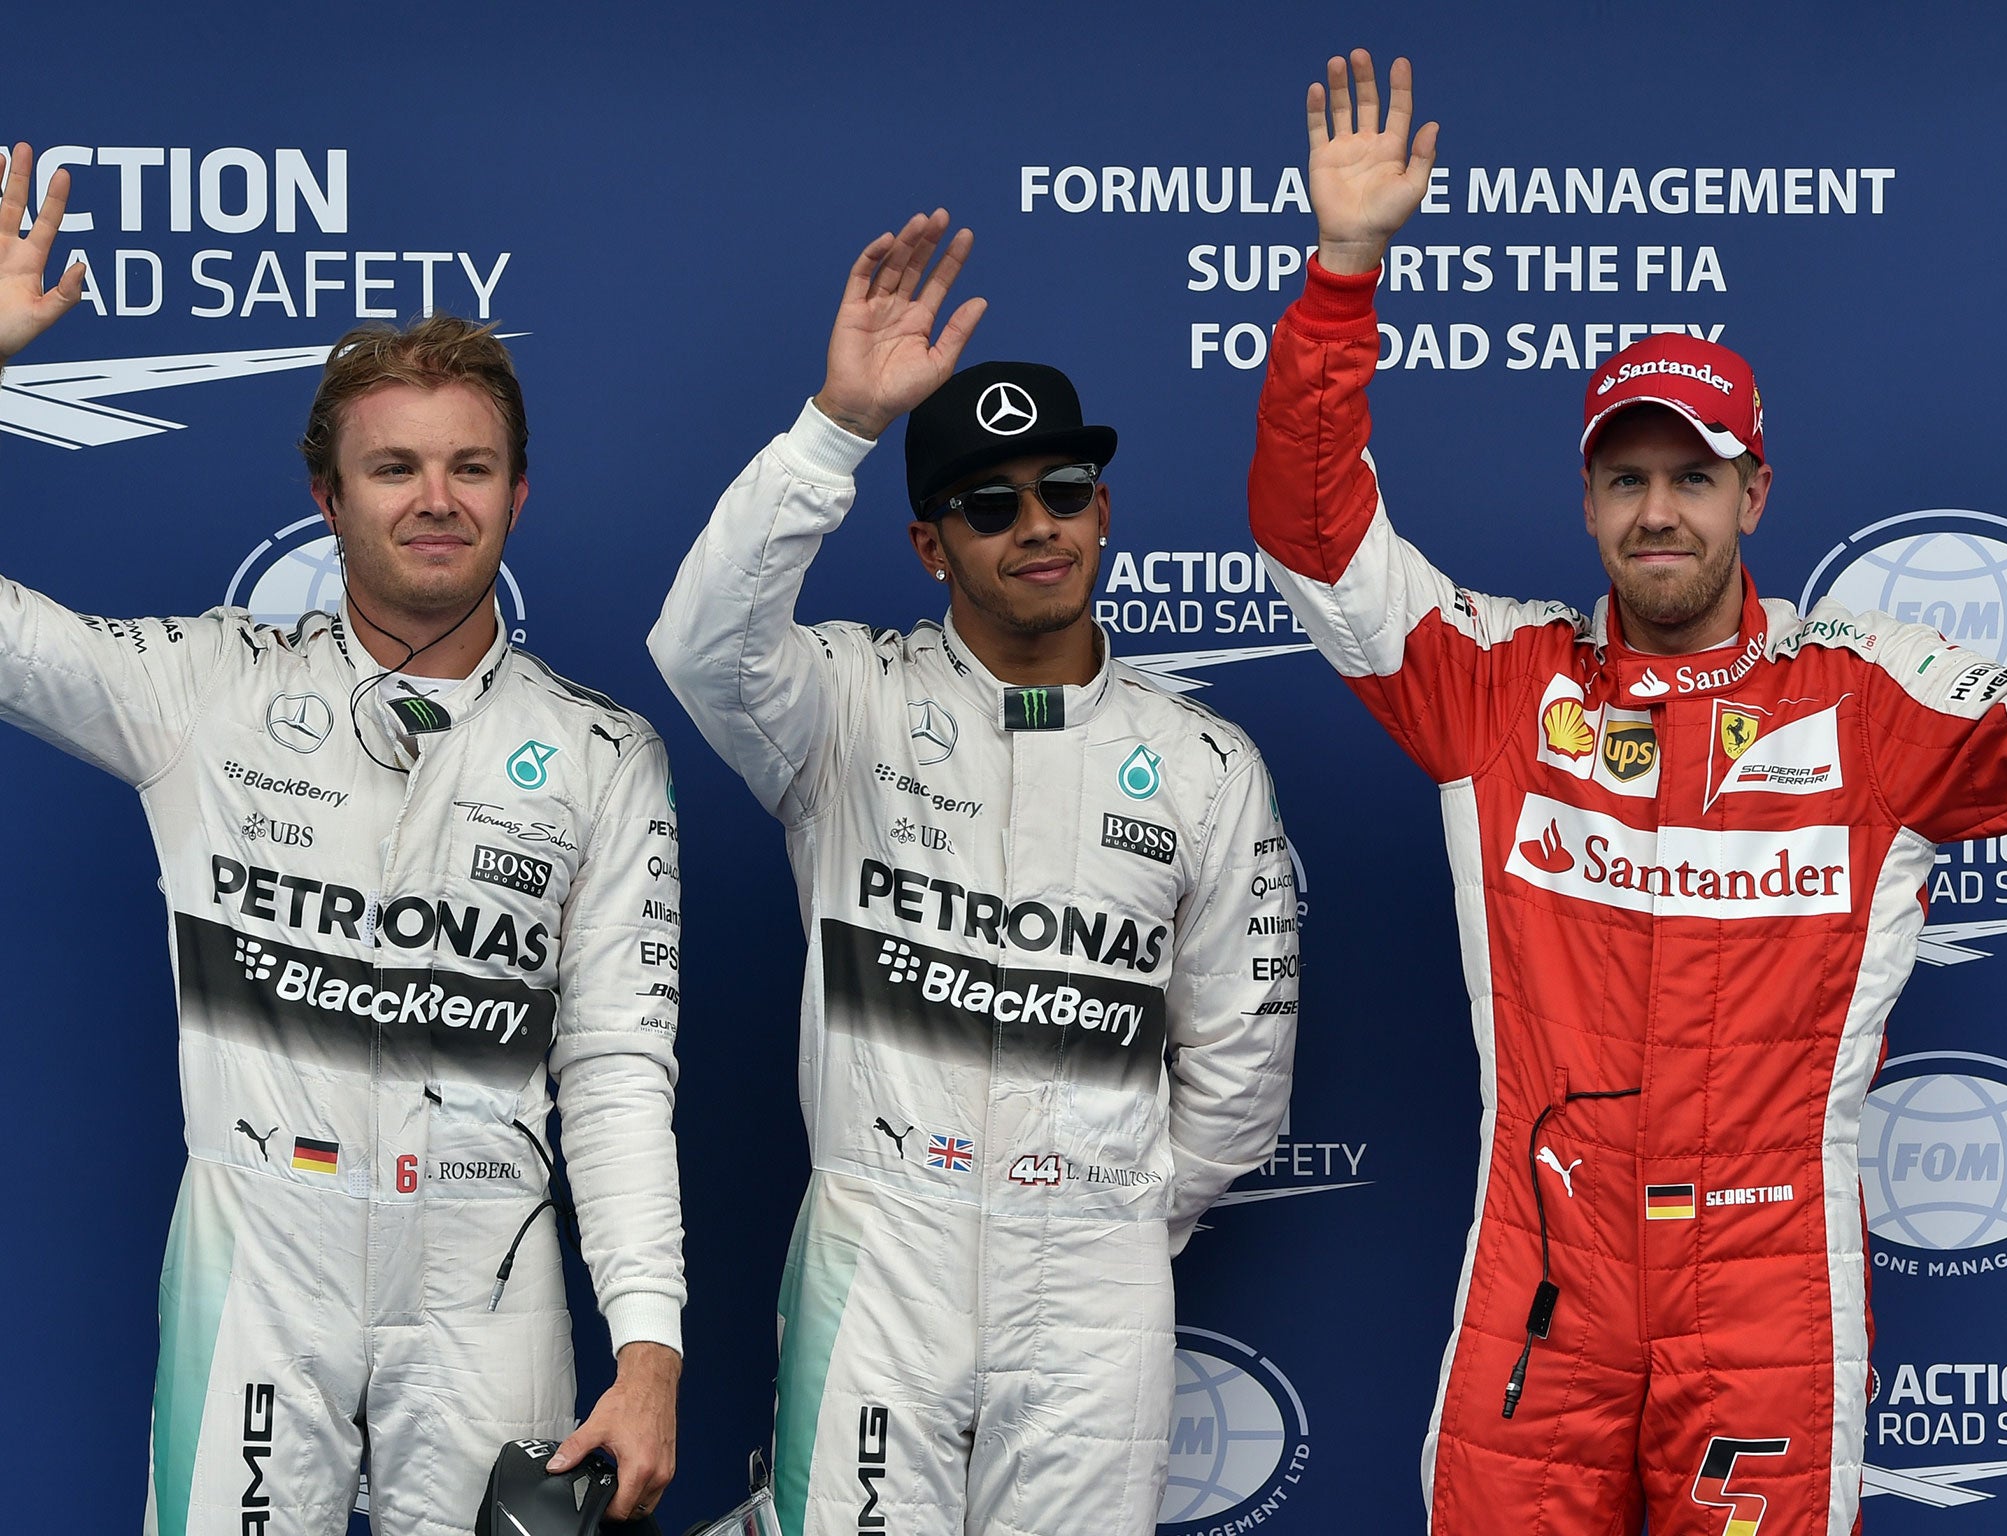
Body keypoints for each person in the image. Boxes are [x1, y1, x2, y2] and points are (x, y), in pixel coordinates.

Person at [1247, 52, 2007, 1536]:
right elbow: (1310, 540)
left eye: (1696, 474)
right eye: (1627, 478)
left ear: (1756, 492)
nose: (1660, 510)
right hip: (1545, 1279)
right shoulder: (1497, 684)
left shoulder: (1876, 701)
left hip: (1768, 1289)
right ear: (1589, 501)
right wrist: (1342, 275)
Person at [0, 145, 686, 1534]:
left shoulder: (609, 755)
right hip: (259, 1283)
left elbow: (616, 1068)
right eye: (395, 467)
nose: (436, 497)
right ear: (329, 498)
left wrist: (652, 1346)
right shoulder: (202, 691)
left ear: (518, 494)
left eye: (470, 466)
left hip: (490, 1296)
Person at [649, 210, 1298, 1536]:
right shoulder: (844, 704)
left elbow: (1239, 1083)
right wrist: (838, 423)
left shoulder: (1205, 765)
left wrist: (1105, 1210)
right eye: (990, 505)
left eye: (1064, 492)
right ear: (930, 545)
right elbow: (699, 645)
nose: (1036, 526)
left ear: (1104, 511)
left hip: (1099, 1290)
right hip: (878, 1259)